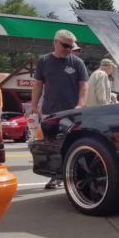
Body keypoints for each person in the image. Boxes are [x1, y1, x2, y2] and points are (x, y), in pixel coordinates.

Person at [28, 29, 88, 189]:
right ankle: (55, 177)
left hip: (72, 113)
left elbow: (83, 86)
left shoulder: (77, 63)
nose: (69, 49)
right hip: (49, 112)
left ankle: (73, 176)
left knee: (70, 145)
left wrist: (80, 105)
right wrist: (34, 105)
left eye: (71, 46)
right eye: (65, 46)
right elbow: (38, 84)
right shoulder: (44, 61)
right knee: (51, 146)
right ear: (55, 42)